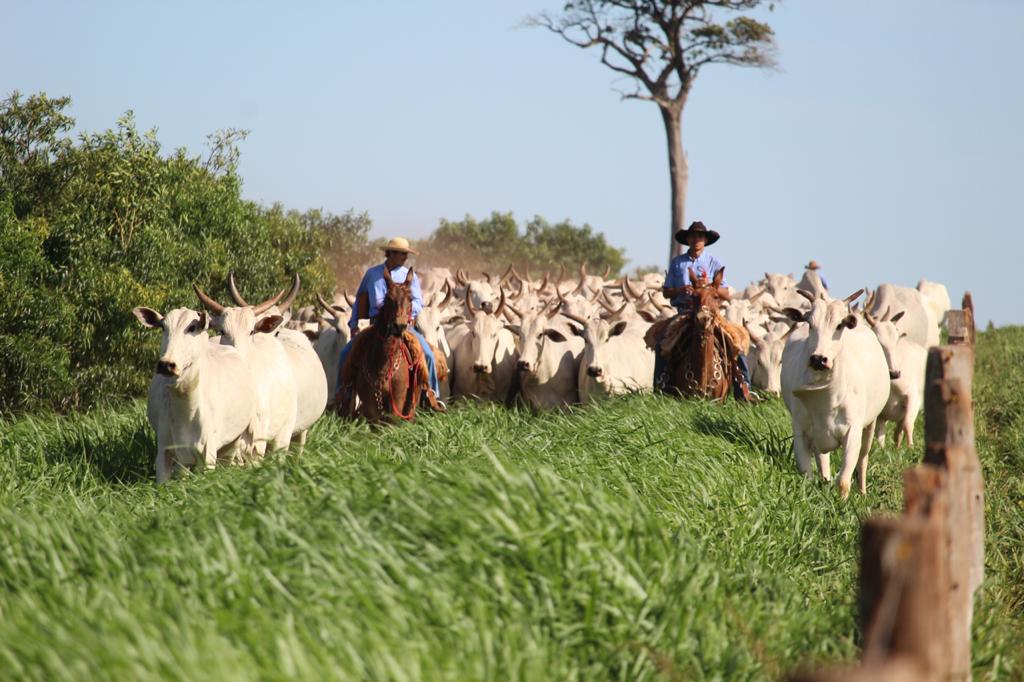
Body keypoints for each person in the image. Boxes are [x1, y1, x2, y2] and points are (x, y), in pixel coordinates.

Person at [655, 221, 757, 402]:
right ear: (687, 239)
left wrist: (709, 288)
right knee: (663, 341)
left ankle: (744, 387)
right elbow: (666, 291)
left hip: (712, 313)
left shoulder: (714, 262)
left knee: (735, 341)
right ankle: (660, 386)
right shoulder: (677, 263)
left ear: (705, 240)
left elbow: (726, 293)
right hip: (685, 312)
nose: (696, 239)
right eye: (693, 236)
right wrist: (680, 290)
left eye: (700, 236)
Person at [335, 237, 442, 407]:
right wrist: (354, 325)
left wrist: (404, 312)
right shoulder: (372, 274)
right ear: (390, 253)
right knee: (345, 353)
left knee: (427, 355)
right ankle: (343, 394)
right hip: (376, 325)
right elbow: (360, 300)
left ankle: (432, 396)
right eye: (402, 254)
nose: (405, 257)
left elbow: (418, 303)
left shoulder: (409, 276)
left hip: (403, 326)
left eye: (406, 254)